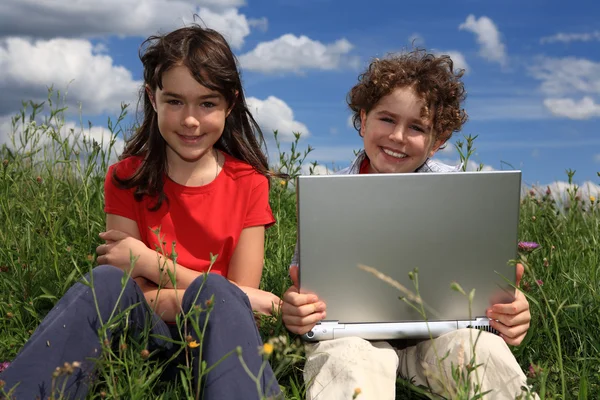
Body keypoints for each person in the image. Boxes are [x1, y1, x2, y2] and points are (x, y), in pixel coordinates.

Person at [0, 25, 282, 400]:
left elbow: (244, 307)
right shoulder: (125, 177)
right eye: (175, 101)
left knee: (217, 290)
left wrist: (151, 264)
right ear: (153, 98)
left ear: (230, 103)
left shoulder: (249, 182)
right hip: (148, 340)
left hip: (223, 342)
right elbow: (126, 297)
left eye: (207, 103)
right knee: (103, 282)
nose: (191, 120)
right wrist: (209, 296)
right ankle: (25, 392)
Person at [281, 50, 533, 400]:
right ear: (364, 119)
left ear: (438, 141)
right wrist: (295, 308)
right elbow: (306, 289)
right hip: (351, 338)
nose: (398, 137)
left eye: (417, 127)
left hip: (444, 336)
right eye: (386, 119)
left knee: (482, 354)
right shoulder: (326, 195)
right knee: (347, 364)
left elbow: (484, 277)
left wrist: (511, 307)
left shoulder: (464, 195)